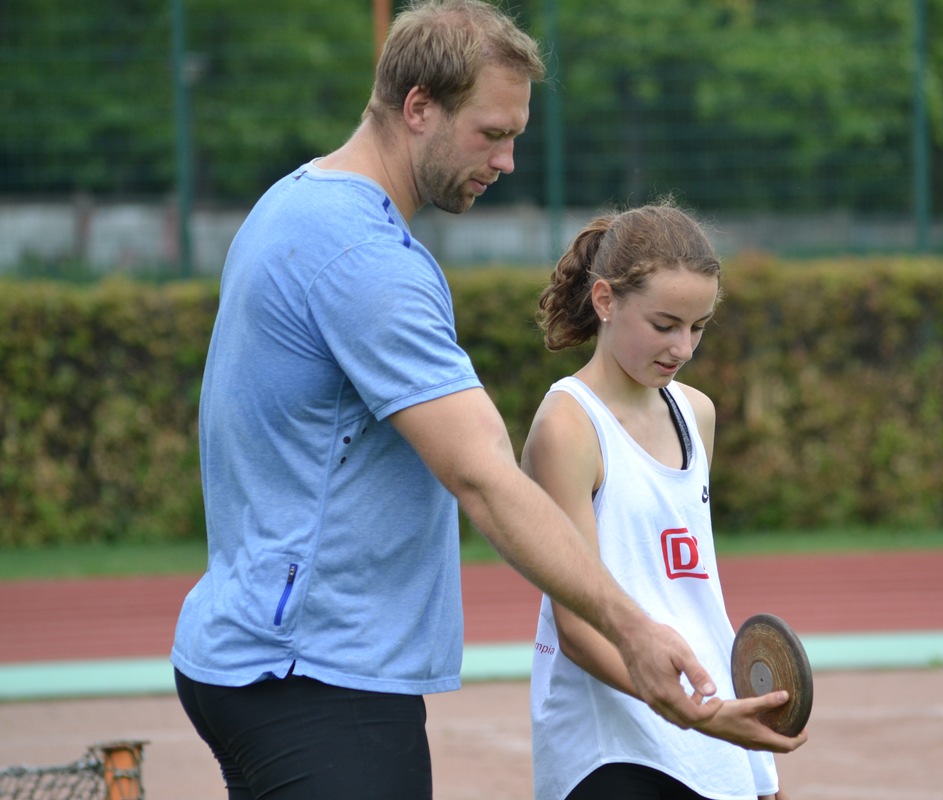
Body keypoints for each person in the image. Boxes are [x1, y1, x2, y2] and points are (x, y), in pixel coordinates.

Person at [169, 3, 723, 798]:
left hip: (263, 653)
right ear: (419, 107)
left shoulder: (291, 201)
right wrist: (632, 630)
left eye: (515, 137)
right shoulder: (368, 258)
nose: (506, 161)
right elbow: (484, 477)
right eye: (490, 134)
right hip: (316, 674)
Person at [522, 201, 807, 800]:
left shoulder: (696, 413)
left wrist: (753, 764)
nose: (683, 346)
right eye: (664, 324)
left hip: (705, 729)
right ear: (605, 301)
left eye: (699, 326)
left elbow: (693, 589)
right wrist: (696, 713)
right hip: (610, 747)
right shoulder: (568, 427)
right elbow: (577, 626)